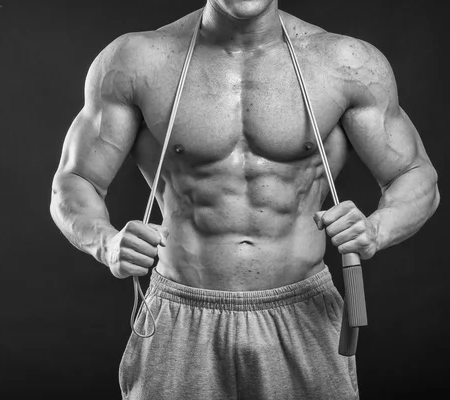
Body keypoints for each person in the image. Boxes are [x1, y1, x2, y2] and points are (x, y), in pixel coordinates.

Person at [50, 0, 439, 398]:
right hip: (181, 312)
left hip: (303, 310)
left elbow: (414, 175)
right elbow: (76, 179)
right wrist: (107, 243)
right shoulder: (137, 61)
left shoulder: (346, 64)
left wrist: (376, 229)